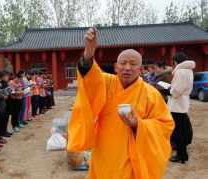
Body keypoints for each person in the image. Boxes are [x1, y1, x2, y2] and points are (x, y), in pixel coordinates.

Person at [67, 28, 175, 179]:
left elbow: (165, 126)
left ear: (140, 69)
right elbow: (90, 78)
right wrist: (88, 54)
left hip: (133, 157)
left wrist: (138, 124)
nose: (127, 68)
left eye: (133, 64)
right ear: (116, 67)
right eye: (123, 63)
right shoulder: (106, 83)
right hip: (105, 153)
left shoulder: (151, 94)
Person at [168, 52, 195, 164]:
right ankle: (182, 155)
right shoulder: (189, 71)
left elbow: (176, 91)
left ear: (176, 61)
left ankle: (181, 155)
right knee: (182, 130)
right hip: (183, 103)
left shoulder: (180, 71)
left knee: (178, 132)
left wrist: (169, 90)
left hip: (176, 105)